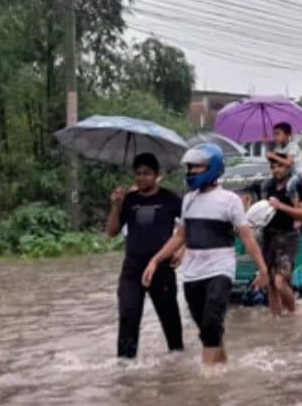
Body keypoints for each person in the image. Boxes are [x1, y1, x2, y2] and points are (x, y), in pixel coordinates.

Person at [144, 145, 268, 366]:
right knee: (207, 331)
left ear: (212, 168)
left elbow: (247, 237)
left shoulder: (230, 200)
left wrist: (262, 269)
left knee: (211, 323)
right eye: (190, 167)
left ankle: (208, 378)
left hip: (220, 270)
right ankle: (222, 367)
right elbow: (180, 236)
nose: (191, 172)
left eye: (197, 167)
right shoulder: (188, 200)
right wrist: (155, 260)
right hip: (192, 275)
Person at [105, 152, 184, 360]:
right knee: (128, 316)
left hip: (162, 268)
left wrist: (181, 249)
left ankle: (177, 363)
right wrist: (115, 205)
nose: (141, 178)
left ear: (157, 175)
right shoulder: (128, 200)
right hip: (132, 268)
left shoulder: (170, 198)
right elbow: (112, 231)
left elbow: (189, 227)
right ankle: (125, 365)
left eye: (147, 173)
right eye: (138, 174)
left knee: (170, 319)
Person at [261, 160, 302, 317]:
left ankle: (292, 315)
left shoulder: (297, 186)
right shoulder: (268, 186)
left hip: (288, 236)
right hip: (269, 236)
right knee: (270, 284)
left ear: (288, 166)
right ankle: (277, 321)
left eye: (280, 166)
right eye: (273, 166)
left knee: (280, 281)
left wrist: (281, 206)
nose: (276, 169)